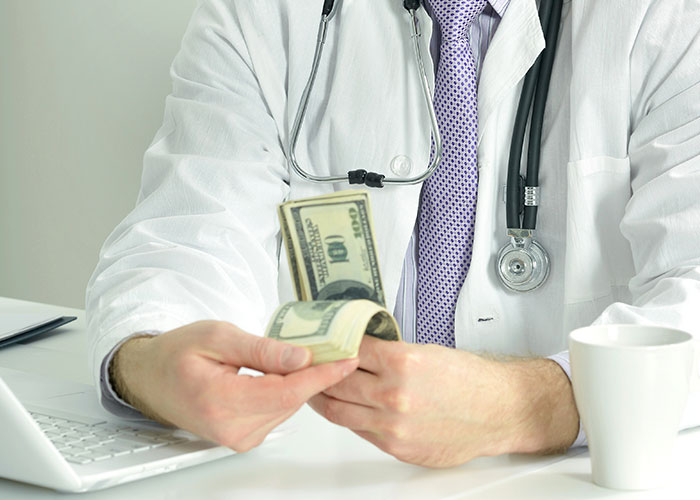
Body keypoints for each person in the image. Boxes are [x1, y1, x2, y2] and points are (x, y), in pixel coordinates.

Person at [86, 0, 700, 467]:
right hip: (320, 470)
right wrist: (145, 362)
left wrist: (537, 403)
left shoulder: (667, 17)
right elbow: (186, 233)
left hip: (570, 475)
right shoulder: (266, 13)